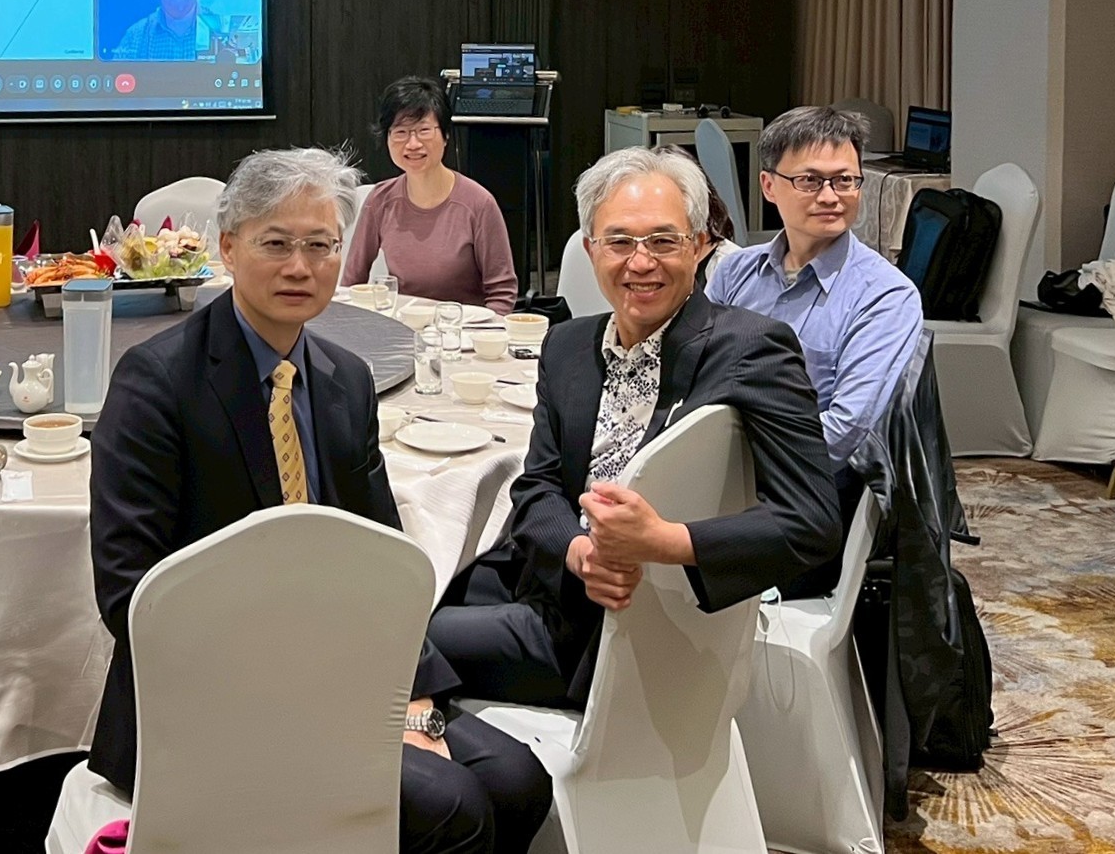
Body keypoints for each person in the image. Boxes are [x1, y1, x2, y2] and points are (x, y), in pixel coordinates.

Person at [89, 146, 551, 854]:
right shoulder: (157, 383)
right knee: (450, 806)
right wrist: (294, 687)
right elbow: (130, 594)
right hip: (207, 699)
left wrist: (413, 700)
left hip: (347, 676)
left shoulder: (344, 380)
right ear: (228, 248)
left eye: (320, 245)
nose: (299, 267)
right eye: (275, 244)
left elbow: (384, 563)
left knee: (518, 781)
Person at [425, 146, 843, 711]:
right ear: (590, 249)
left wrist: (665, 542)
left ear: (700, 246)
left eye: (664, 241)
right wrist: (578, 552)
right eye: (619, 242)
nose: (640, 263)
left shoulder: (751, 349)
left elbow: (813, 521)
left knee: (397, 640)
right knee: (403, 591)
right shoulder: (568, 344)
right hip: (553, 573)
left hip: (617, 626)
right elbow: (537, 485)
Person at [707, 104, 924, 467]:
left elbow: (842, 433)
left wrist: (733, 460)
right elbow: (697, 372)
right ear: (769, 186)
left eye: (844, 180)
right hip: (713, 458)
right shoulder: (735, 271)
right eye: (809, 180)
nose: (830, 197)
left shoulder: (885, 296)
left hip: (800, 478)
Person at [343, 77, 518, 314]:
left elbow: (502, 292)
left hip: (460, 329)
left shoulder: (479, 204)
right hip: (402, 326)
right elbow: (352, 284)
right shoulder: (379, 201)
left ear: (445, 136)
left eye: (424, 130)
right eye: (401, 132)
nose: (413, 144)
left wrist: (483, 332)